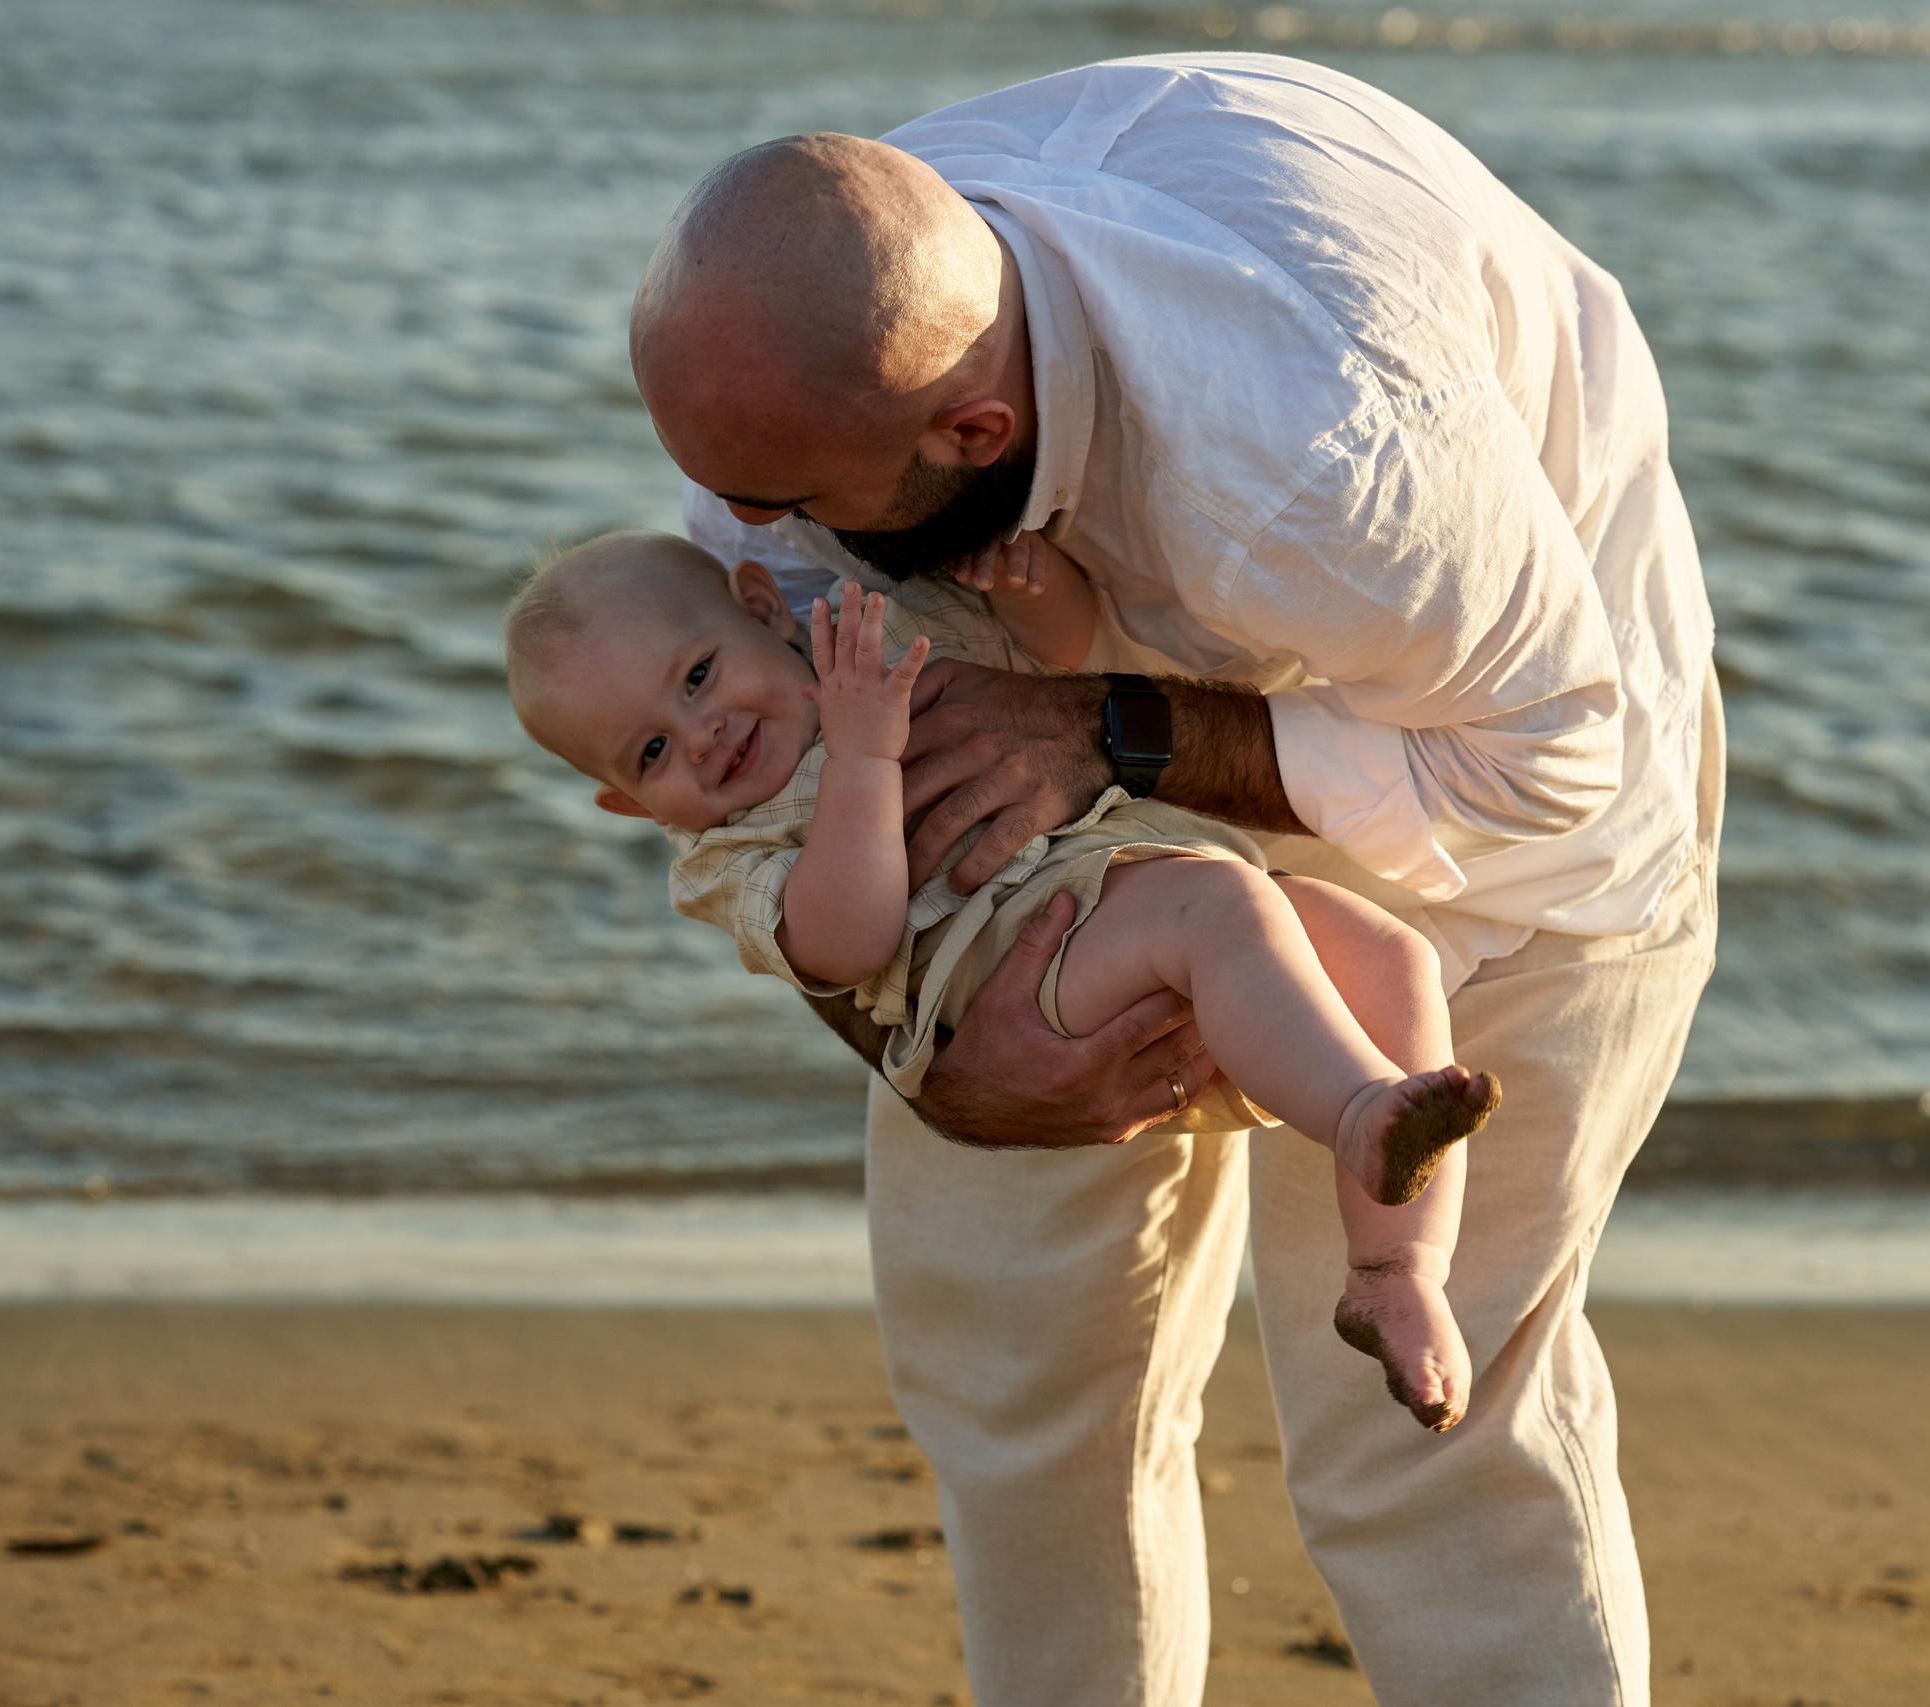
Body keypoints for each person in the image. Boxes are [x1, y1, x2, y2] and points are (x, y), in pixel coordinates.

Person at [627, 51, 1721, 1706]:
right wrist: (931, 1059)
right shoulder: (809, 340)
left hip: (1490, 767)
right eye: (726, 491)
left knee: (1408, 1429)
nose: (745, 534)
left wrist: (1117, 726)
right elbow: (758, 813)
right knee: (1016, 1371)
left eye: (779, 504)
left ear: (972, 426)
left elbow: (1561, 764)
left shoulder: (1331, 457)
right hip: (1046, 769)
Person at [505, 526, 1501, 1426]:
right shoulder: (726, 851)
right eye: (651, 751)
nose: (703, 734)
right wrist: (859, 757)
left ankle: (1394, 1267)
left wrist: (1028, 585)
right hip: (1014, 972)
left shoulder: (871, 642)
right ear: (630, 806)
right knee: (1226, 911)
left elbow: (1056, 654)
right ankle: (1362, 1109)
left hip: (1128, 881)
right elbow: (842, 944)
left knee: (1388, 954)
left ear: (765, 607)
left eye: (696, 678)